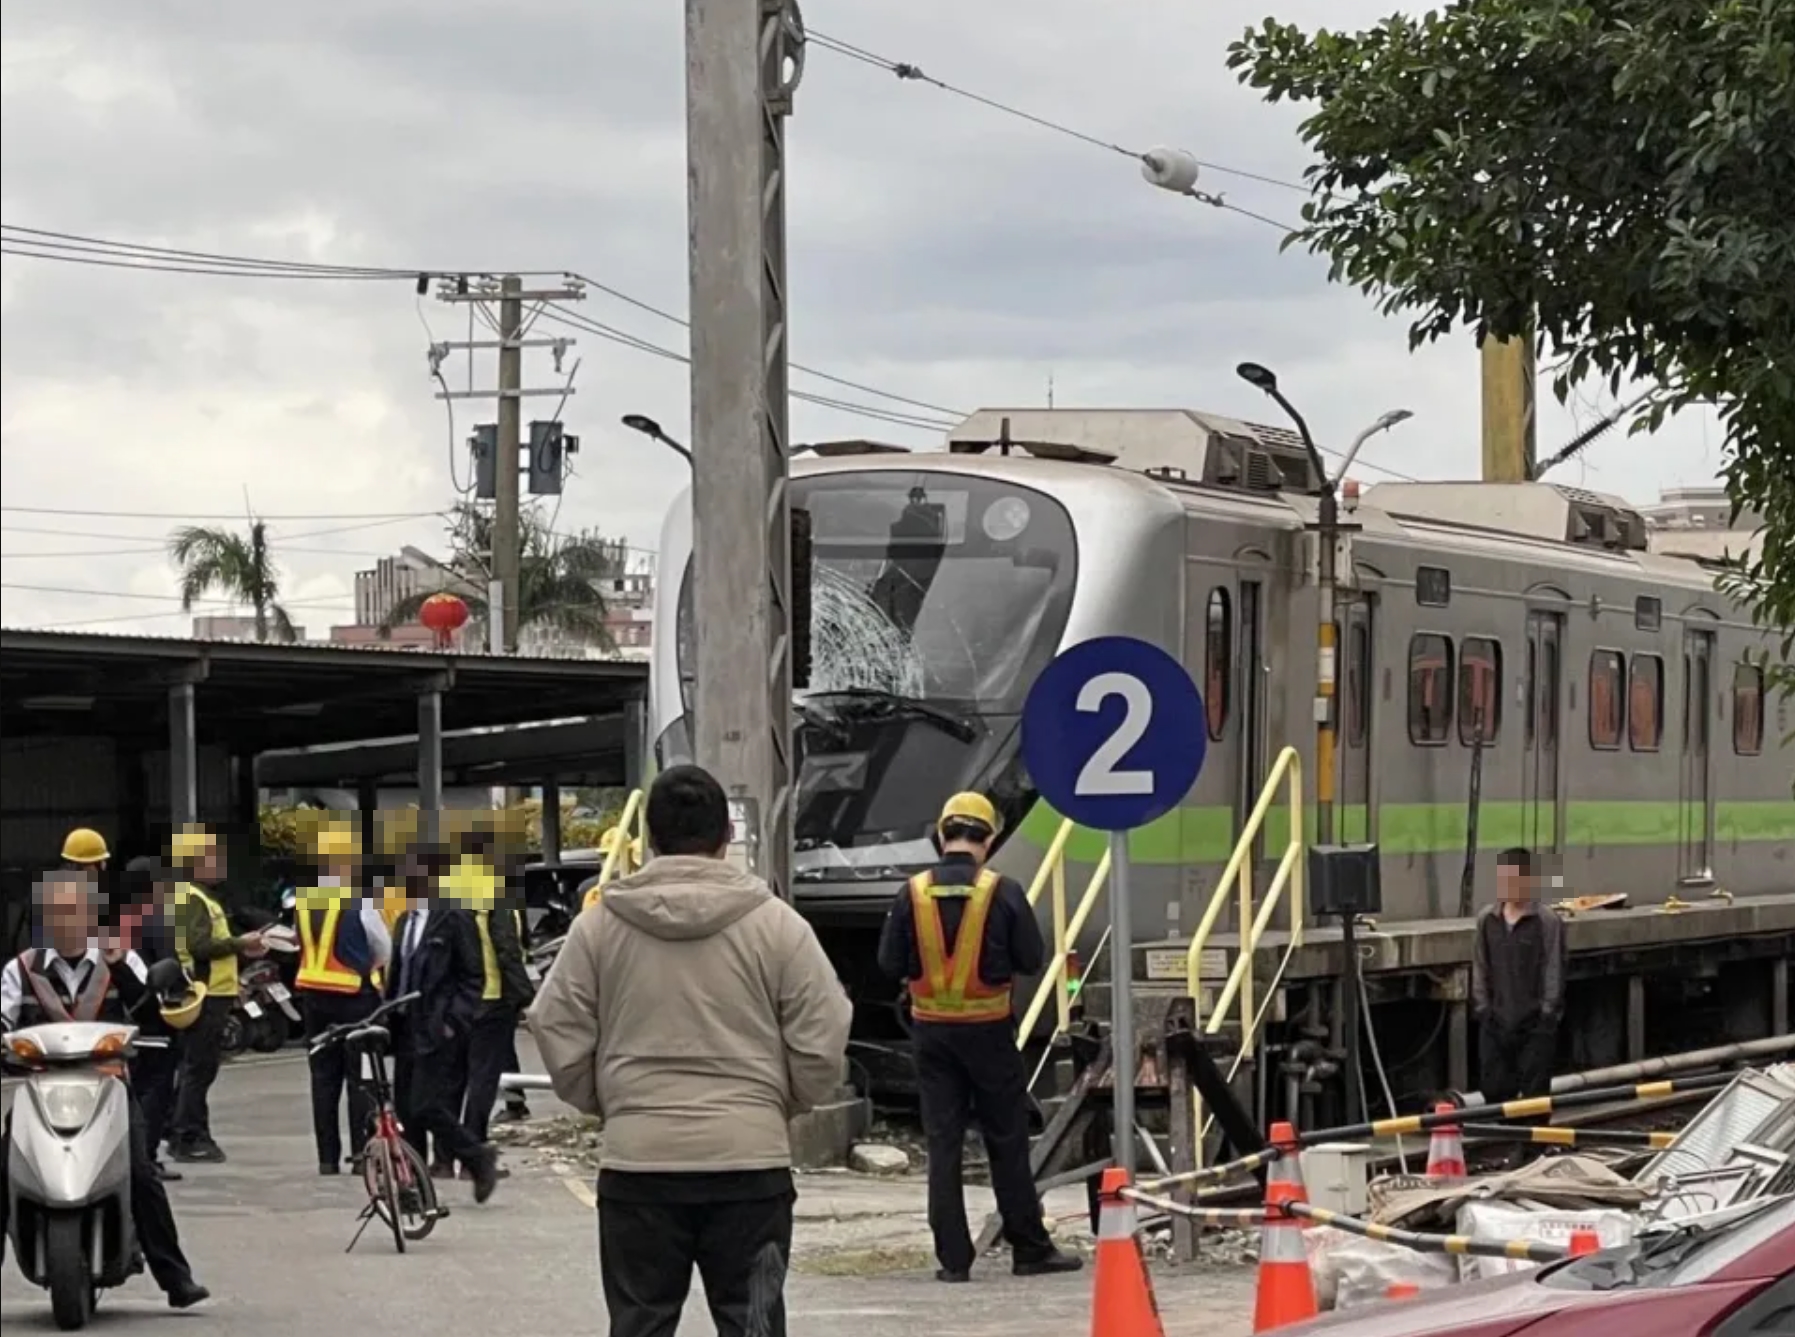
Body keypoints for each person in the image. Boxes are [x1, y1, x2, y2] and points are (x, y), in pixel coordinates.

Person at [531, 764, 852, 1337]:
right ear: (726, 839)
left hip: (638, 1167)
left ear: (649, 838)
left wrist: (610, 1100)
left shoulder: (599, 927)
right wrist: (782, 1102)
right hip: (750, 1169)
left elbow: (554, 1023)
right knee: (753, 1324)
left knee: (641, 1324)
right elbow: (824, 1029)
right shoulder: (779, 926)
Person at [877, 792, 1082, 1284]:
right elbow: (1032, 959)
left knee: (943, 1142)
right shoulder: (1003, 891)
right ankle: (1028, 1248)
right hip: (989, 1034)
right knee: (1007, 1141)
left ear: (941, 835)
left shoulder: (913, 893)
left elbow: (888, 964)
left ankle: (953, 1260)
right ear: (989, 840)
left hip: (932, 1037)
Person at [0, 870, 210, 1309]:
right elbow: (3, 1021)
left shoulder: (120, 960)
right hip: (40, 1090)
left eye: (75, 910)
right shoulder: (19, 970)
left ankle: (175, 1278)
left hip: (109, 1087)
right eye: (56, 911)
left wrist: (120, 969)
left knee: (141, 1172)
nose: (66, 920)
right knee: (4, 1170)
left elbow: (155, 1017)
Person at [386, 840, 502, 1202]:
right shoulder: (405, 921)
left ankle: (476, 1155)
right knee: (406, 1108)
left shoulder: (454, 917)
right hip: (405, 1025)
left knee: (426, 1103)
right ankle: (413, 1186)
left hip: (438, 1026)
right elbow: (398, 972)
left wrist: (453, 1021)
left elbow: (473, 976)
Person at [293, 822, 392, 1175]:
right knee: (360, 1079)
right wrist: (368, 969)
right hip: (354, 998)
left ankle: (326, 1159)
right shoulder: (359, 900)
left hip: (313, 999)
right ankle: (360, 1157)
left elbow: (299, 943)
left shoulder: (304, 900)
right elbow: (382, 947)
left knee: (323, 1080)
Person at [167, 826, 263, 1164]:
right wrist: (241, 943)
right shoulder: (193, 899)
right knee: (199, 1068)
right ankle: (186, 1135)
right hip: (204, 995)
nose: (220, 864)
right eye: (213, 858)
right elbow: (199, 946)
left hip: (215, 993)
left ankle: (188, 1130)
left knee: (201, 1067)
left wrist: (240, 953)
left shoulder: (202, 898)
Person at [443, 829, 534, 1171]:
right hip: (490, 1000)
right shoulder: (495, 896)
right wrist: (524, 996)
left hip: (452, 1003)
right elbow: (508, 950)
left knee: (451, 1080)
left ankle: (442, 1158)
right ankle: (474, 1157)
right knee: (482, 1080)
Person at [1472, 847, 1568, 1104]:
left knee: (1535, 1091)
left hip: (1534, 1021)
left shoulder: (1547, 921)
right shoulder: (1487, 919)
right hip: (1496, 1019)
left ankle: (1533, 1142)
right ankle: (1506, 1138)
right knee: (1494, 1087)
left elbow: (1553, 969)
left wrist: (1547, 1014)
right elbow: (1481, 964)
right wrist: (1483, 1008)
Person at [118, 855, 184, 1182]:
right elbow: (170, 968)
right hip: (153, 1019)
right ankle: (146, 1157)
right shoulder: (156, 920)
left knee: (132, 1090)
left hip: (120, 1019)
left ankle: (130, 1153)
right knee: (156, 1089)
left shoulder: (116, 920)